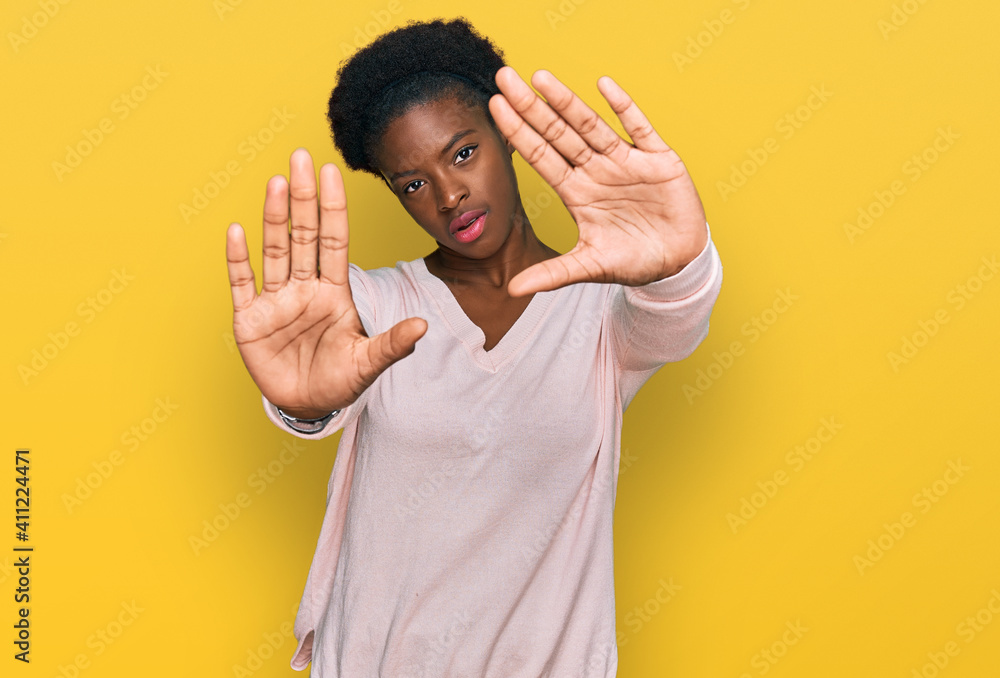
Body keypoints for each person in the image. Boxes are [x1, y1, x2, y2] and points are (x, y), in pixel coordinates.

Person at [224, 17, 723, 678]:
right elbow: (317, 377)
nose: (449, 194)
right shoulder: (369, 306)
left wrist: (678, 260)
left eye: (462, 153)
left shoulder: (601, 313)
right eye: (412, 183)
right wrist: (303, 408)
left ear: (508, 138)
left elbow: (675, 316)